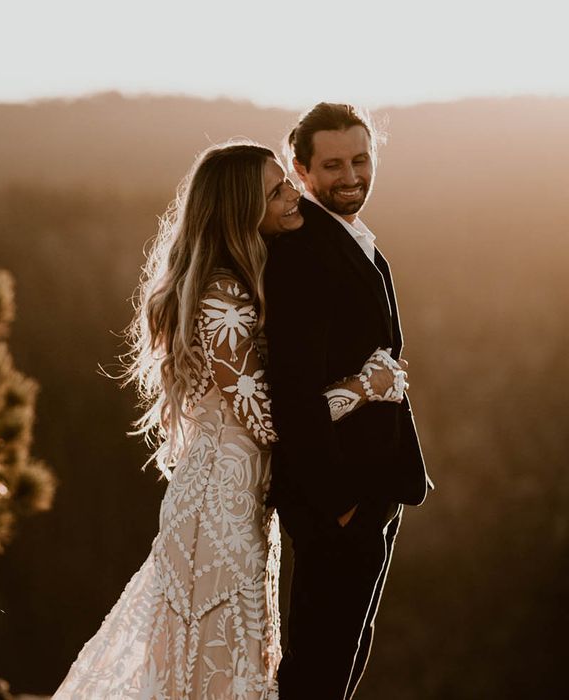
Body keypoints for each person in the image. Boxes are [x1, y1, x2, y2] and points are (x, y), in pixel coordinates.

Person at [51, 142, 405, 699]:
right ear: (242, 210)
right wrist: (364, 387)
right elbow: (268, 418)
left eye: (287, 183)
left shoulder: (241, 279)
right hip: (217, 509)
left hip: (243, 502)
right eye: (278, 191)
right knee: (214, 664)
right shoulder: (223, 298)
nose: (295, 195)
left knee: (232, 659)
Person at [264, 103, 434, 699]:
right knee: (317, 668)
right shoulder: (302, 251)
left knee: (344, 661)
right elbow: (291, 388)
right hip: (337, 500)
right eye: (332, 164)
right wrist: (339, 504)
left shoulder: (347, 236)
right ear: (301, 170)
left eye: (360, 159)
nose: (351, 175)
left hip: (372, 489)